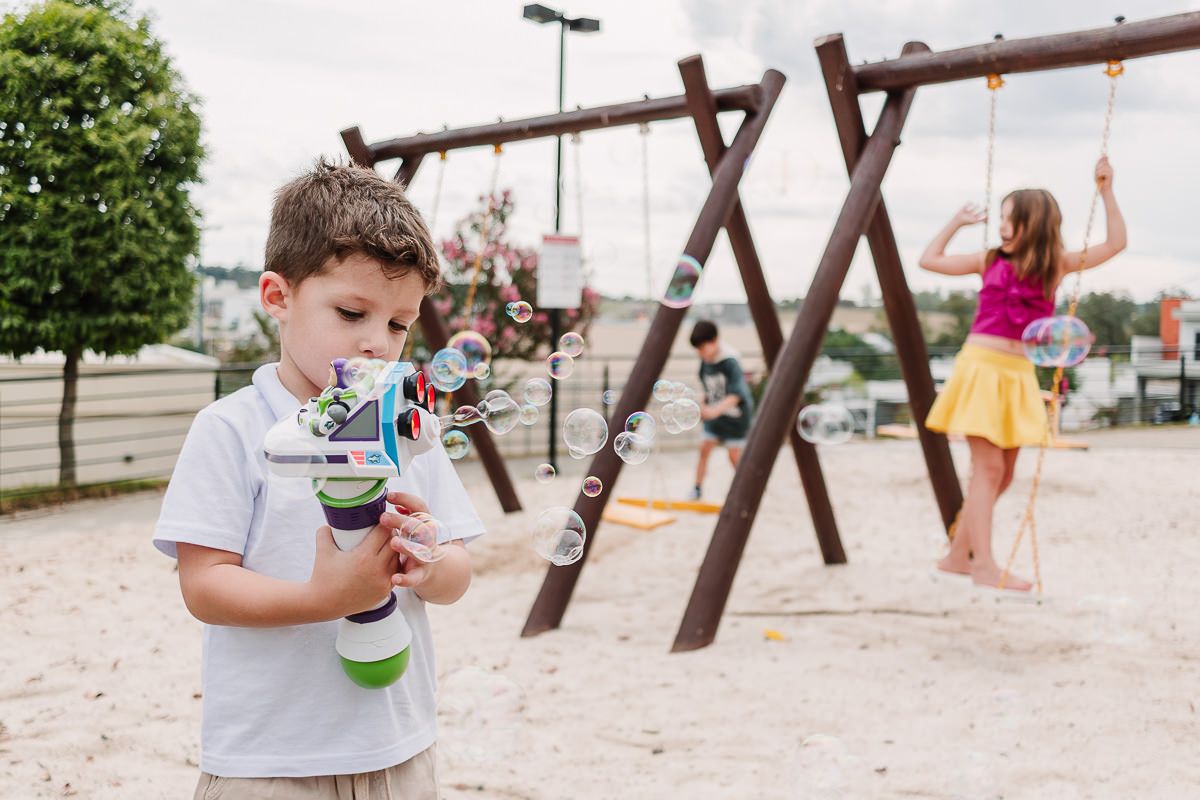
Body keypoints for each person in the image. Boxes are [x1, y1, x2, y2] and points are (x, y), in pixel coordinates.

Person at [153, 159, 483, 799]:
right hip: (268, 762)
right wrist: (328, 599)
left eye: (397, 323)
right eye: (352, 312)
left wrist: (428, 564)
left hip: (398, 751)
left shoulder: (405, 430)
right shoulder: (233, 428)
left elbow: (459, 569)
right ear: (278, 297)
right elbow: (204, 585)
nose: (377, 345)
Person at [920, 156, 1125, 592]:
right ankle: (983, 566)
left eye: (1008, 219)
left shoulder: (1056, 265)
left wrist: (1106, 190)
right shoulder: (988, 258)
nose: (1002, 226)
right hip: (980, 369)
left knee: (1004, 473)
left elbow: (1115, 244)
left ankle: (958, 556)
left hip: (1017, 374)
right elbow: (929, 261)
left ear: (1031, 223)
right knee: (988, 469)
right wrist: (956, 222)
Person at [689, 319, 755, 501]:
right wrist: (702, 404)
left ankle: (747, 489)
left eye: (703, 347)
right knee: (704, 448)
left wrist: (713, 411)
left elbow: (737, 394)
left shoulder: (730, 361)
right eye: (698, 349)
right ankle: (697, 488)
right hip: (715, 416)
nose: (701, 352)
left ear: (715, 340)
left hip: (735, 418)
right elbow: (708, 389)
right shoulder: (705, 361)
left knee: (734, 455)